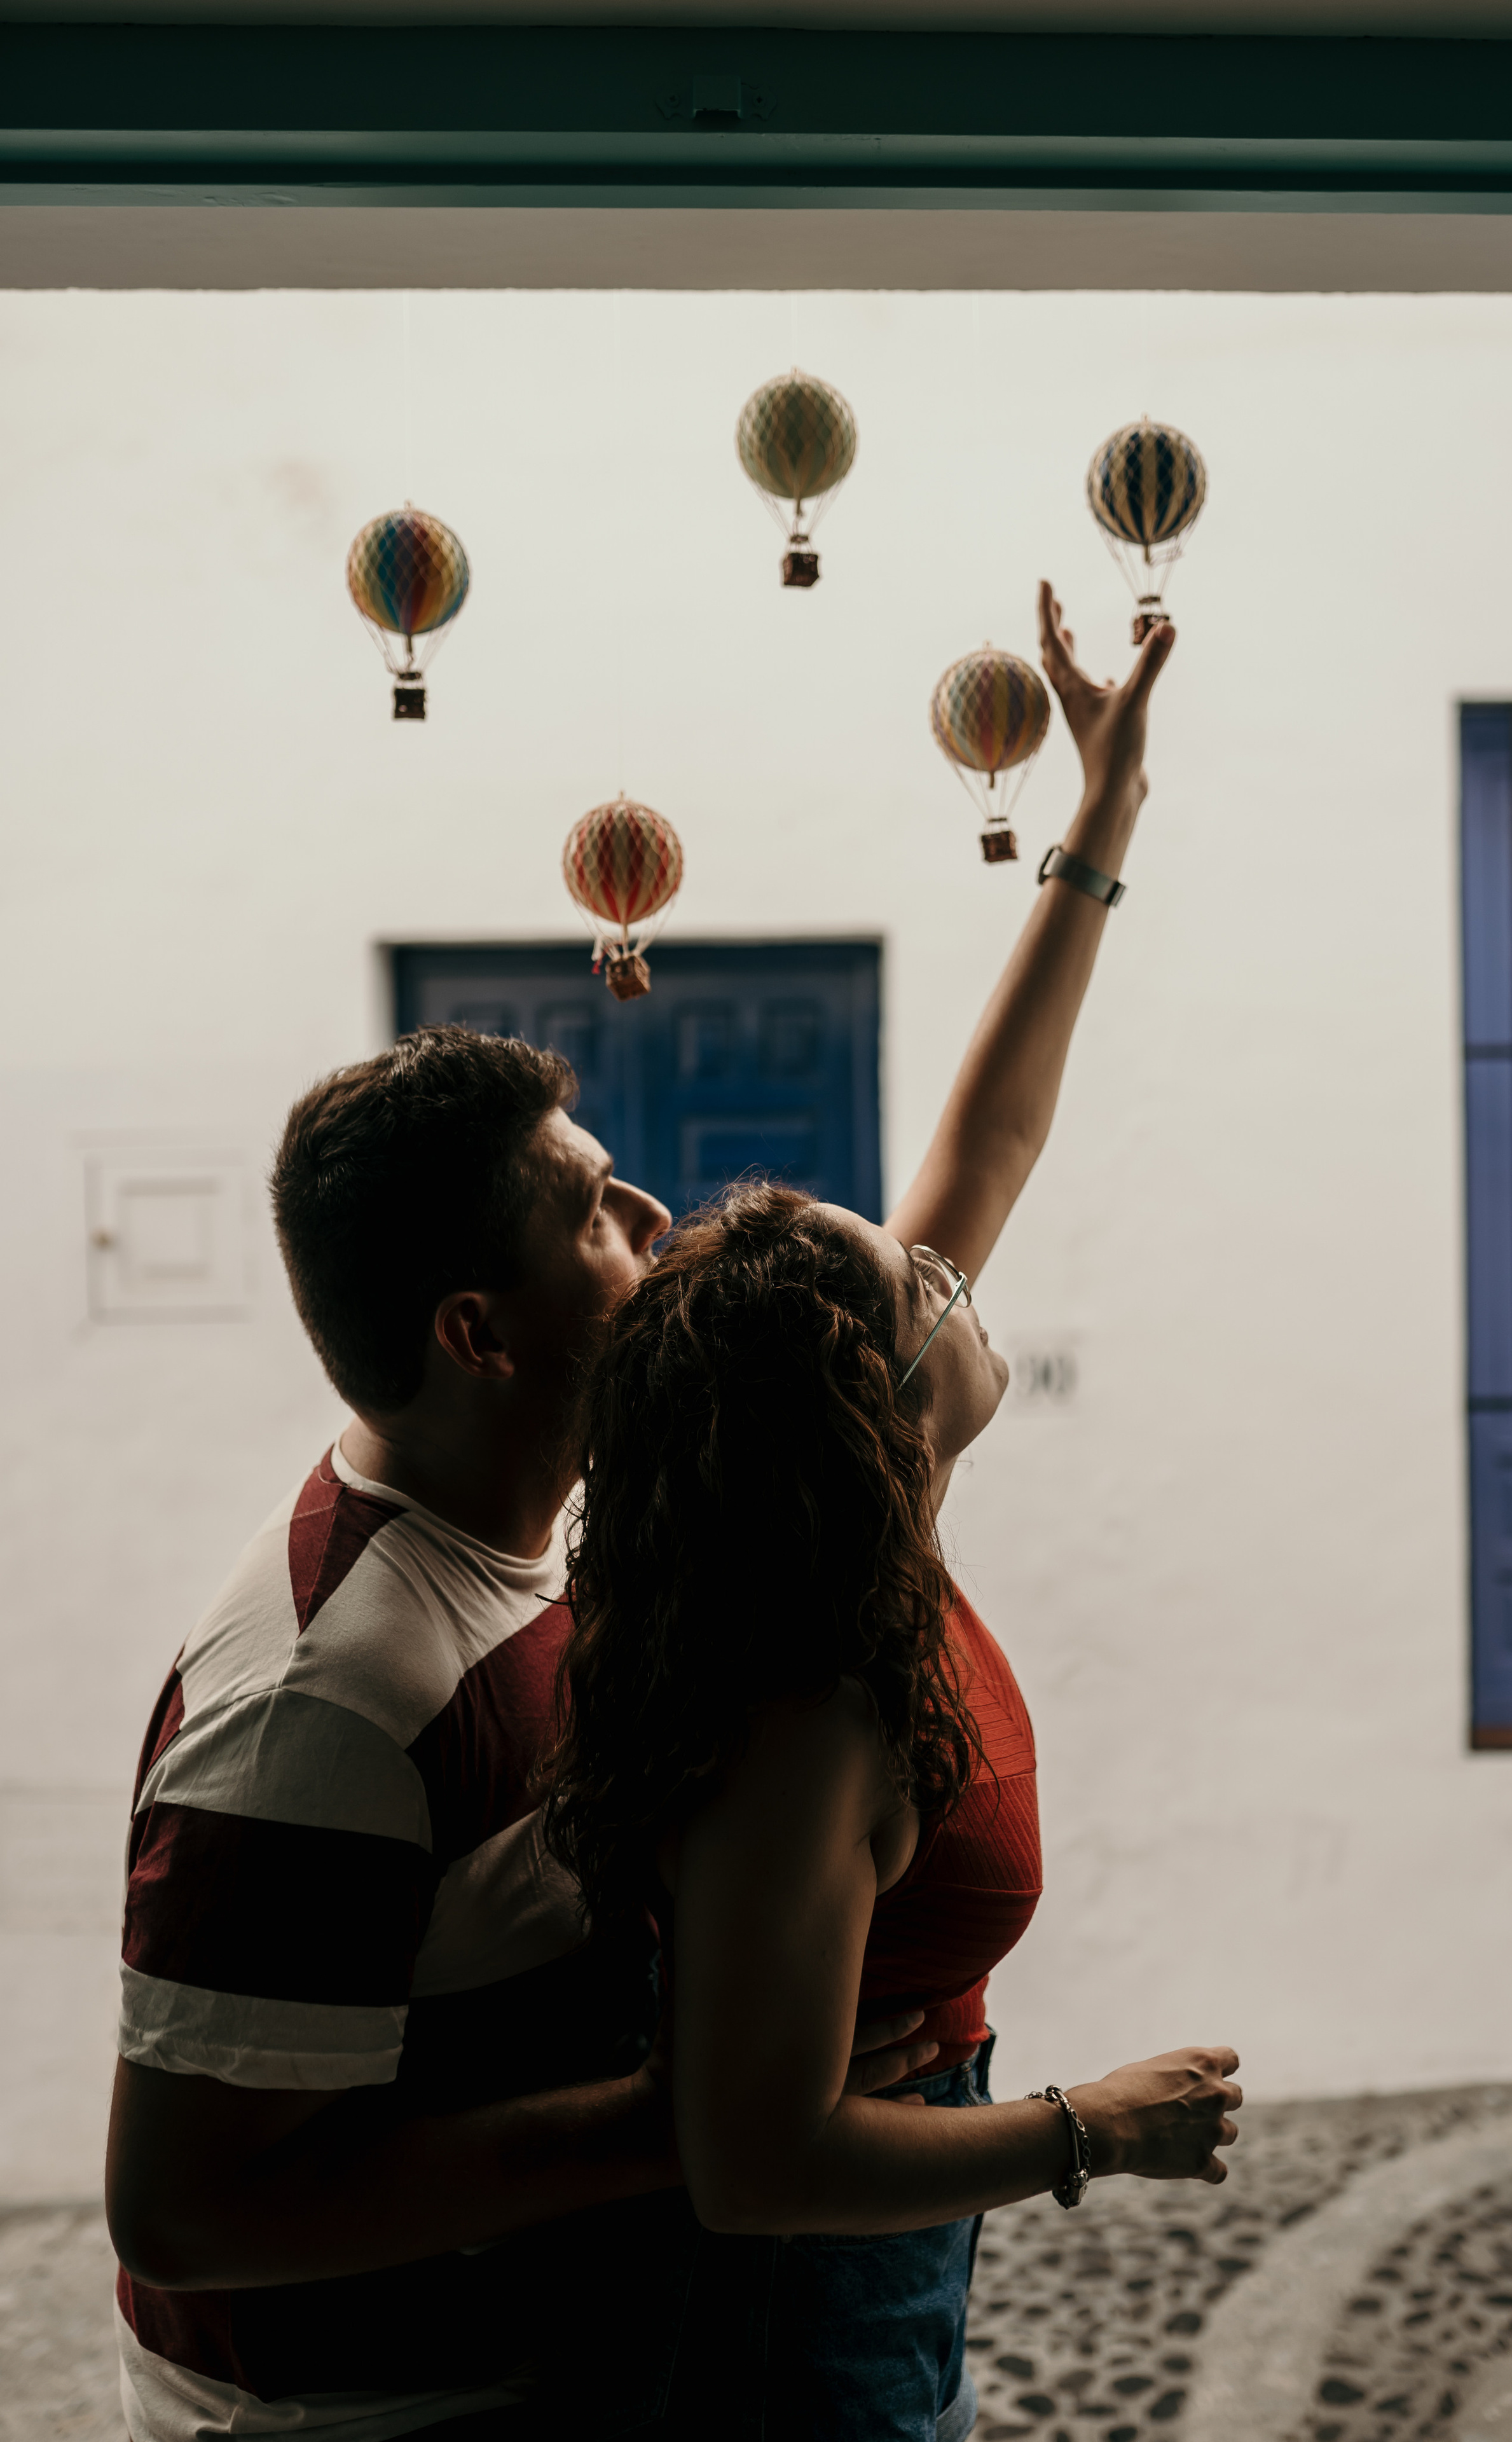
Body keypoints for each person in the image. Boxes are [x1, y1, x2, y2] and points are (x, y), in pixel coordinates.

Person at [104, 581, 1195, 2441]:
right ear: (479, 1334)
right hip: (377, 2416)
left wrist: (1095, 823)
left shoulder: (640, 1516)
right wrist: (705, 2112)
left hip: (577, 2351)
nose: (659, 1224)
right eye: (601, 1212)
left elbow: (973, 1167)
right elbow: (189, 2210)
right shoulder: (325, 1703)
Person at [544, 605, 1241, 2441]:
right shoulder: (808, 1709)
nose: (950, 1268)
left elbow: (993, 1135)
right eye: (916, 1277)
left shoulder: (855, 1530)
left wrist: (1112, 803)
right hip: (791, 2310)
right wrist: (1097, 2130)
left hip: (873, 2251)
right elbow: (756, 2166)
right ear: (880, 1400)